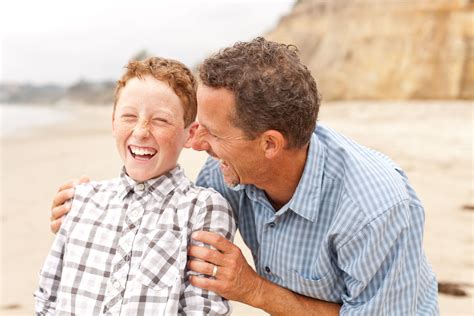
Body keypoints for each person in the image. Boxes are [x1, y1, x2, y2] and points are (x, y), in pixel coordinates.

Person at [50, 38, 439, 315]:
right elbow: (164, 218)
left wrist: (254, 290)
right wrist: (90, 211)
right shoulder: (228, 172)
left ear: (269, 144)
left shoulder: (376, 209)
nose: (197, 143)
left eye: (211, 132)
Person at [36, 57, 235, 315]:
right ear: (113, 122)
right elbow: (47, 297)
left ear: (190, 133)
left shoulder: (202, 209)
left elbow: (204, 310)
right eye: (129, 116)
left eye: (161, 120)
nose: (141, 131)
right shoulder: (82, 201)